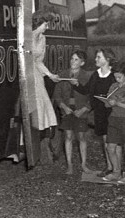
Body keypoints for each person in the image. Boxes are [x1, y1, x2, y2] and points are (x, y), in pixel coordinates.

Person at [73, 48, 116, 177]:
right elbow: (87, 90)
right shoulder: (96, 75)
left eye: (99, 57)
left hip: (113, 112)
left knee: (114, 141)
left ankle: (116, 169)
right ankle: (110, 167)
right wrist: (76, 84)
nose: (96, 59)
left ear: (107, 59)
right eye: (96, 57)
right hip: (100, 112)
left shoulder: (114, 75)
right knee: (105, 139)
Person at [53, 50, 92, 175]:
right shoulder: (63, 75)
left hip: (81, 111)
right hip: (67, 111)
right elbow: (57, 95)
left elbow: (92, 96)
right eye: (71, 59)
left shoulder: (87, 76)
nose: (72, 61)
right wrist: (64, 107)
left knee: (81, 137)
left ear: (82, 62)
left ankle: (84, 165)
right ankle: (69, 165)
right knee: (68, 136)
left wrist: (84, 109)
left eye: (76, 59)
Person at [101, 61, 125, 183]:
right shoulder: (113, 87)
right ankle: (116, 172)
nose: (117, 79)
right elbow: (107, 104)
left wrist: (117, 103)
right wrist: (106, 101)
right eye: (115, 77)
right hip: (114, 119)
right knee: (110, 147)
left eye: (120, 77)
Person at [31, 10, 60, 164]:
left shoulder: (43, 38)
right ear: (37, 24)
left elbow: (38, 61)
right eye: (45, 24)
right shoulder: (26, 37)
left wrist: (49, 75)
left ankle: (43, 148)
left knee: (42, 108)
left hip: (36, 75)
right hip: (26, 75)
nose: (46, 27)